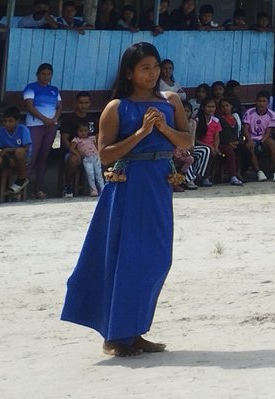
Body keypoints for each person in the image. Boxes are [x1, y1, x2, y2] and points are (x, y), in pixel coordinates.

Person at [62, 41, 192, 356]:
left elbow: (188, 140)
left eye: (155, 67)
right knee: (126, 258)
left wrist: (163, 128)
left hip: (160, 183)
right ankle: (117, 335)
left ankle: (133, 330)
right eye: (144, 68)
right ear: (130, 73)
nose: (152, 73)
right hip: (128, 185)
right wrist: (141, 133)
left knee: (158, 258)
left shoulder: (170, 101)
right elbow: (105, 154)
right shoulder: (116, 107)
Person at [21, 62, 61, 198]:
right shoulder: (31, 88)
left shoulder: (54, 90)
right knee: (31, 156)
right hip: (35, 125)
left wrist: (54, 119)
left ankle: (38, 188)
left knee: (44, 157)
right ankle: (21, 187)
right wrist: (45, 119)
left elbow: (59, 106)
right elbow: (29, 106)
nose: (46, 77)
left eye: (48, 74)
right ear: (38, 74)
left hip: (50, 126)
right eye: (43, 74)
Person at [56, 92, 93, 197]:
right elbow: (64, 140)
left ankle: (98, 186)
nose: (83, 105)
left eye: (86, 102)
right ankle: (68, 187)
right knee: (74, 160)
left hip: (90, 152)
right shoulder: (68, 119)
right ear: (76, 103)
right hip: (72, 152)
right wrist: (75, 152)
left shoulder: (93, 119)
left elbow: (98, 138)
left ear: (90, 103)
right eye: (81, 102)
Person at [0, 108, 33, 199]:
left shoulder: (23, 130)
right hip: (8, 157)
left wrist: (9, 150)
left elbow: (26, 148)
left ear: (17, 121)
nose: (7, 124)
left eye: (10, 121)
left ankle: (22, 178)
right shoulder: (1, 131)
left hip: (22, 157)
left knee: (19, 151)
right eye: (5, 121)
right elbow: (0, 148)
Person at [243, 94, 275, 181]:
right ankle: (259, 172)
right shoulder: (249, 112)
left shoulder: (272, 114)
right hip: (252, 137)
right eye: (259, 101)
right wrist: (250, 140)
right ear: (256, 102)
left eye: (264, 101)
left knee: (272, 143)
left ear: (268, 103)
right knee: (250, 146)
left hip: (264, 137)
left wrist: (262, 141)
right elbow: (245, 129)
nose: (261, 103)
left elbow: (268, 131)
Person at [69, 121, 102, 196]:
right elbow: (72, 149)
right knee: (90, 174)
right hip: (87, 159)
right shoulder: (76, 140)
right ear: (77, 131)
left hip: (96, 157)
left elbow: (96, 146)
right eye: (81, 131)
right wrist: (78, 154)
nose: (83, 133)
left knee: (98, 174)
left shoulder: (91, 138)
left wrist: (99, 153)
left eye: (85, 130)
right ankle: (93, 190)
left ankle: (102, 189)